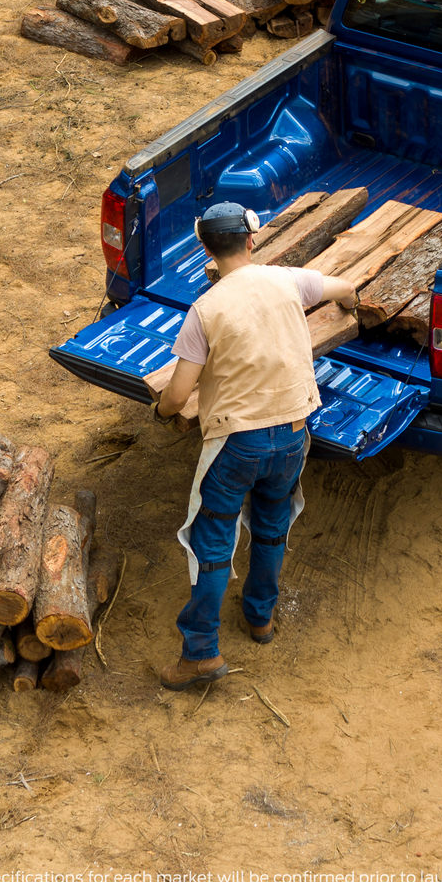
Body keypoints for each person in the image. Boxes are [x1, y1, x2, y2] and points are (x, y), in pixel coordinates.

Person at [153, 200, 357, 690]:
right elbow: (345, 289)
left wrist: (162, 411)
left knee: (212, 543)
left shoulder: (205, 310)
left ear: (205, 247)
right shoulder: (288, 280)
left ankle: (200, 652)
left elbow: (180, 393)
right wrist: (350, 310)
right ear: (251, 240)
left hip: (236, 444)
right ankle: (260, 618)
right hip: (291, 436)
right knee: (271, 525)